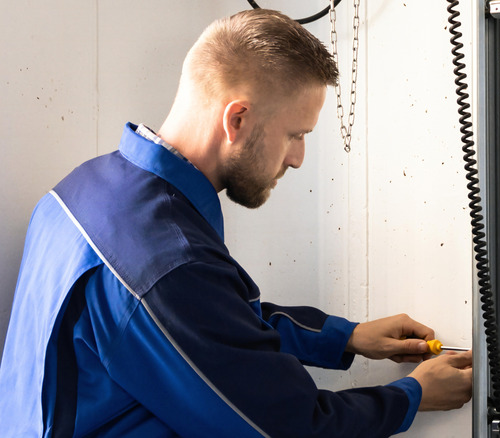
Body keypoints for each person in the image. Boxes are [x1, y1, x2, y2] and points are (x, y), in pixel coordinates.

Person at [0, 8, 473, 438]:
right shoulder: (167, 263)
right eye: (295, 134)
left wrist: (344, 337)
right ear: (238, 119)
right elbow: (288, 428)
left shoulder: (83, 189)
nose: (298, 158)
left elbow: (209, 327)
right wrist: (413, 397)